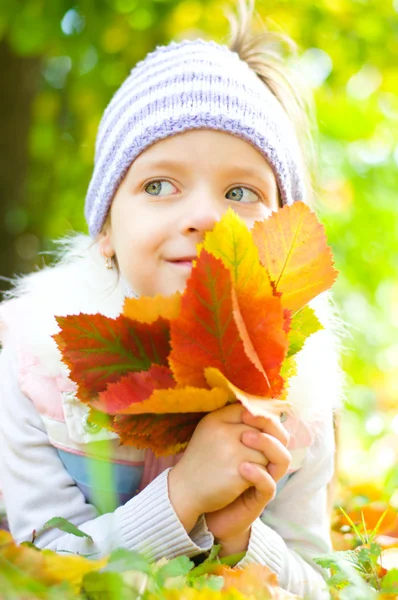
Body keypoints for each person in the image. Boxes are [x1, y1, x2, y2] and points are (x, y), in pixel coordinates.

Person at [0, 2, 341, 597]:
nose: (206, 215)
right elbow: (35, 571)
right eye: (159, 185)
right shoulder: (40, 370)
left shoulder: (297, 400)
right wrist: (181, 498)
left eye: (241, 191)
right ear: (105, 228)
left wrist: (242, 539)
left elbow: (321, 582)